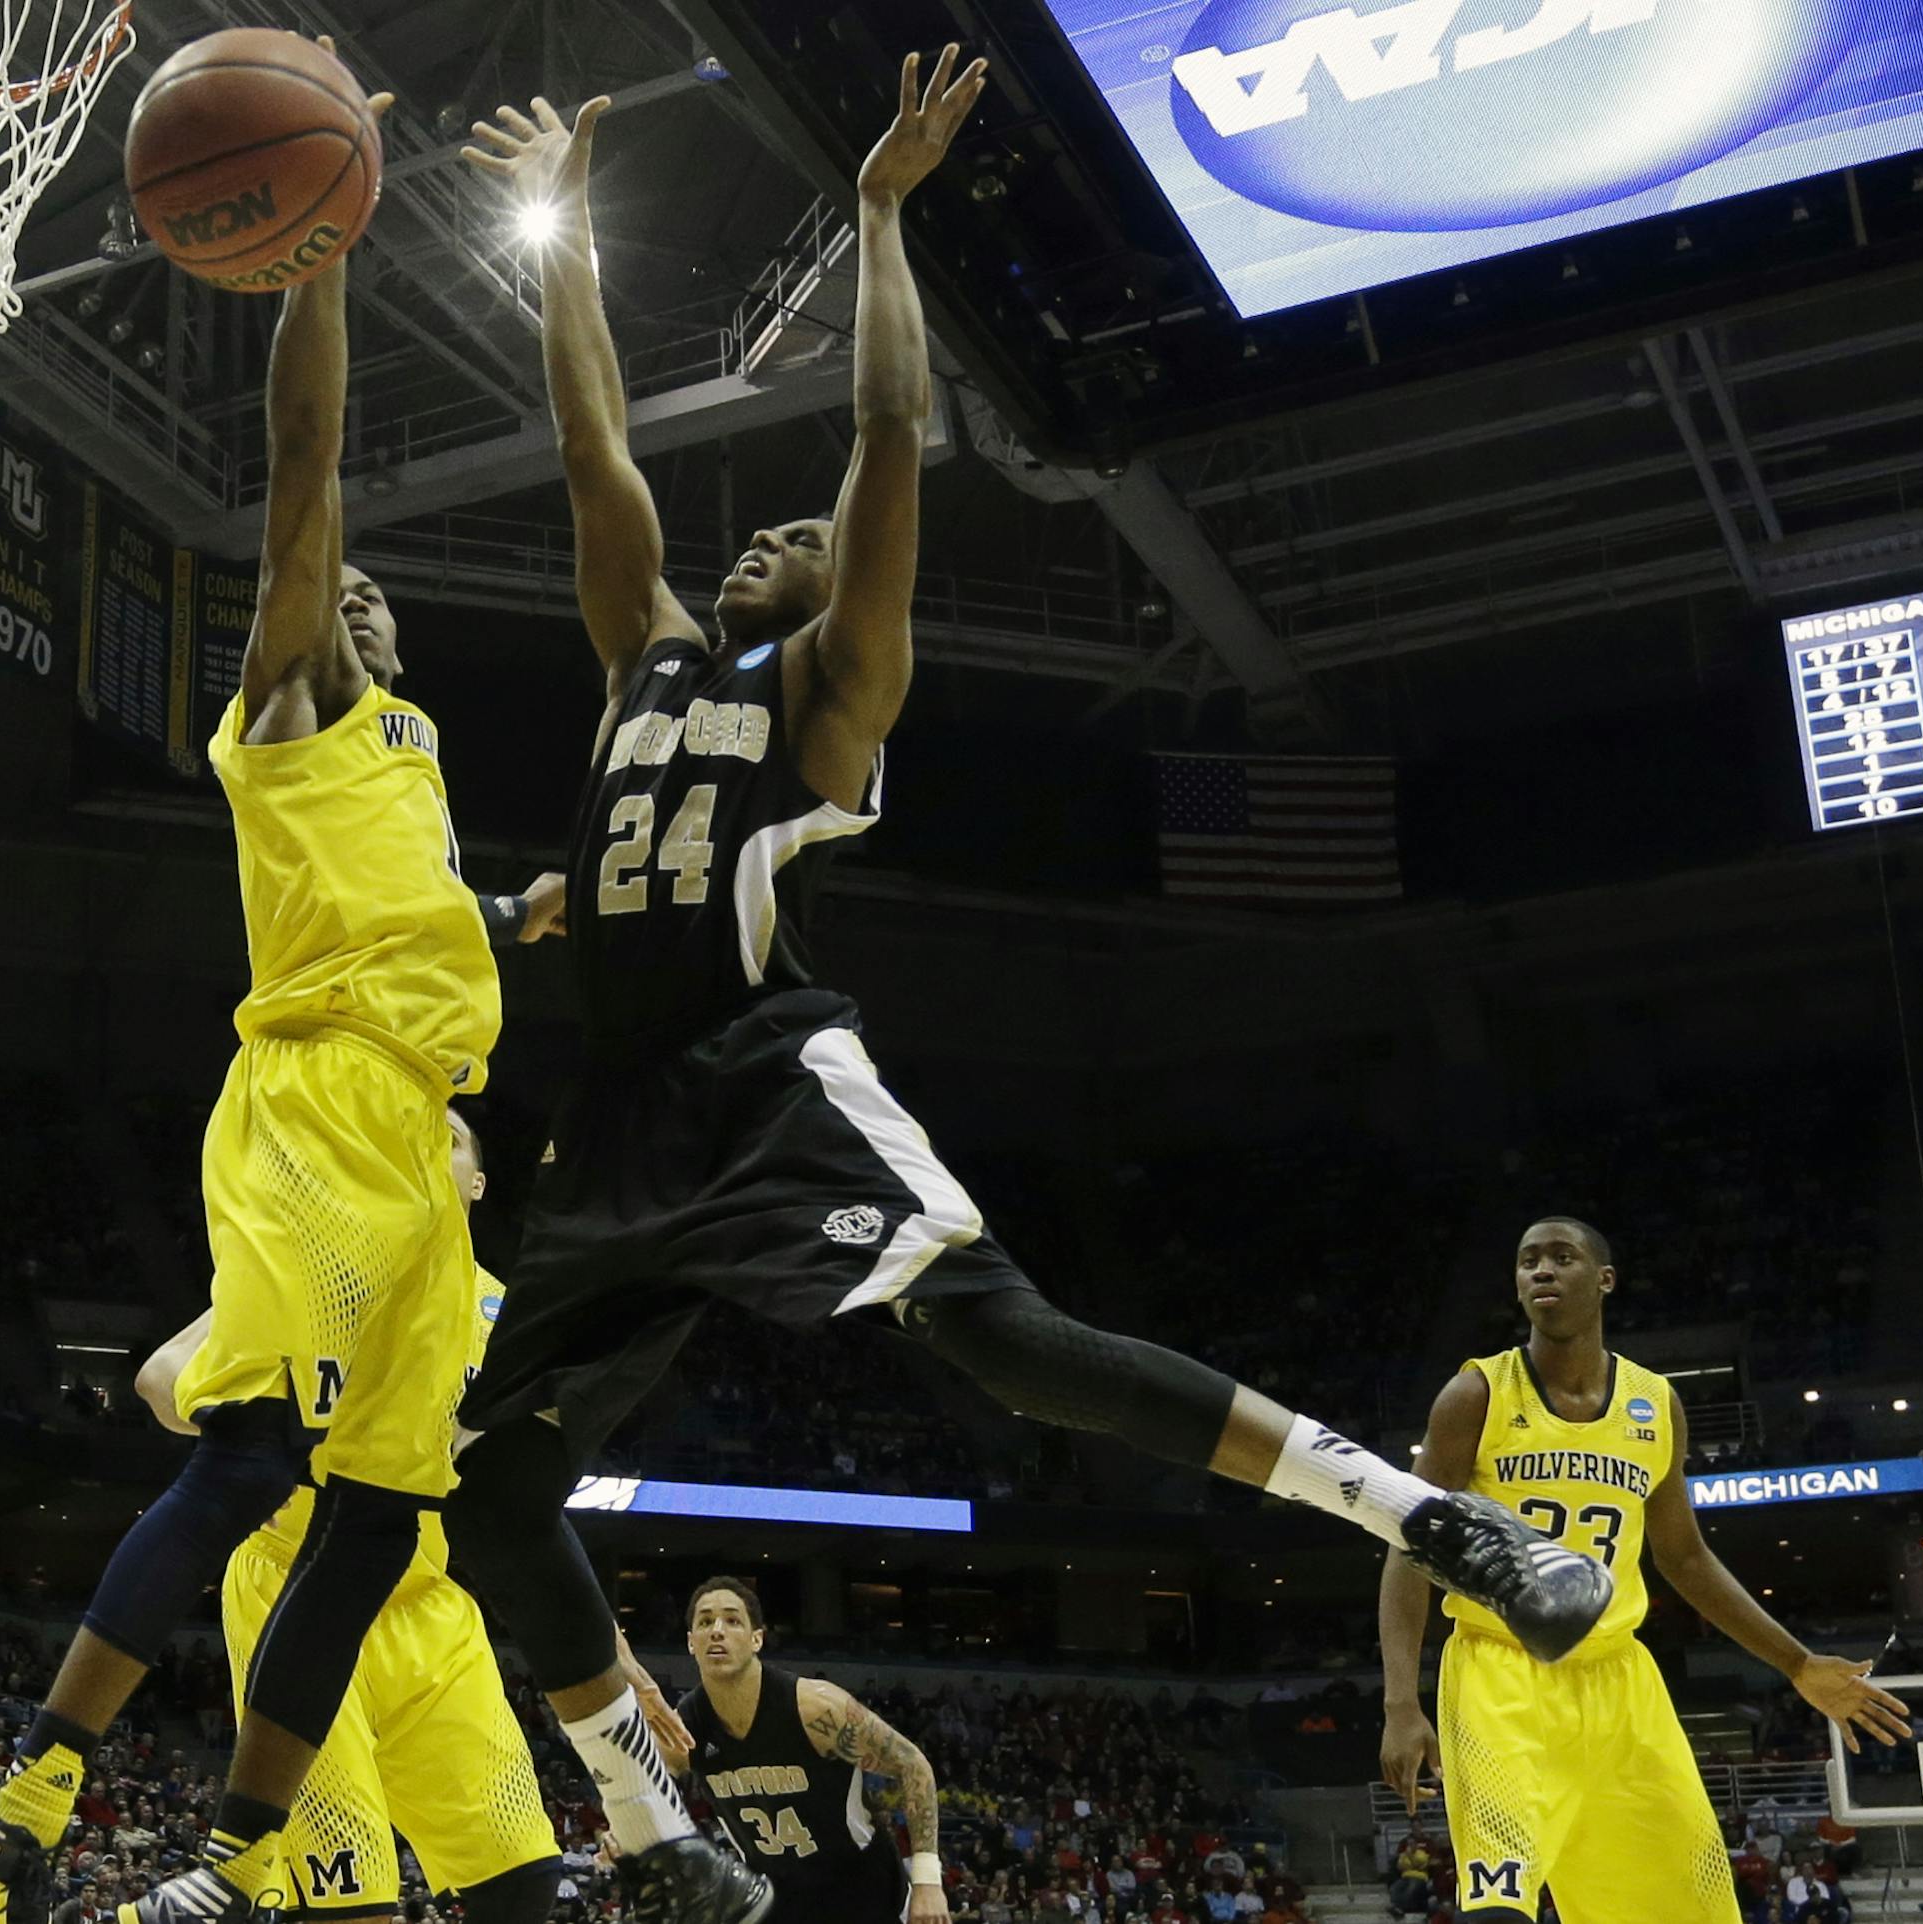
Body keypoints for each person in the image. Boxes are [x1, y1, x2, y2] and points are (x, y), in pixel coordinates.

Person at [447, 46, 1612, 1918]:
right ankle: (660, 1836)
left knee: (1013, 1344)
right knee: (485, 1482)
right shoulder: (645, 658)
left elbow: (887, 443)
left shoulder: (827, 696)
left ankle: (1431, 1515)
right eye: (771, 533)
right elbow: (598, 451)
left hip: (766, 1079)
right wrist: (567, 242)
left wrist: (885, 219)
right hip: (619, 1131)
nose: (778, 534)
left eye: (804, 541)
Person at [0, 60, 505, 1924]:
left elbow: (455, 917)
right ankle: (15, 1804)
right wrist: (323, 258)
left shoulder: (409, 755)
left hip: (426, 1131)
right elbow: (306, 474)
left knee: (382, 1510)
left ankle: (239, 1856)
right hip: (318, 1103)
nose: (345, 606)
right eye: (324, 600)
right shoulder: (288, 710)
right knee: (255, 1452)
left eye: (366, 607)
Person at [1377, 1217, 1911, 1923]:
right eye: (1527, 1260)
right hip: (1499, 1674)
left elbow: (1684, 1558)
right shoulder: (1476, 1394)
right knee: (1500, 1901)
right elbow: (1408, 1543)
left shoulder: (1656, 1404)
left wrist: (1797, 1663)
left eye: (1561, 1258)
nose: (1540, 1270)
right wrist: (1399, 1703)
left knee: (1689, 1903)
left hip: (1622, 1682)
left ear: (1603, 1280)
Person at [132, 1111, 588, 1924]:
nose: (424, 1145)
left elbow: (526, 1513)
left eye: (448, 1139)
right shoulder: (311, 1278)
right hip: (296, 1590)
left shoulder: (510, 1320)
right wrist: (262, 1417)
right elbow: (161, 1378)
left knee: (521, 1881)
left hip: (428, 1610)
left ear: (477, 1184)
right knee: (350, 1906)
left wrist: (613, 1656)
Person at [661, 1579, 930, 1924]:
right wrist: (624, 1834)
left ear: (757, 1638)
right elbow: (648, 1790)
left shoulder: (816, 1708)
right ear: (690, 1643)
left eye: (732, 1620)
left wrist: (928, 1881)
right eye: (705, 1621)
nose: (717, 1631)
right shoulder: (685, 1728)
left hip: (864, 1892)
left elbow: (913, 1765)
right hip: (779, 1901)